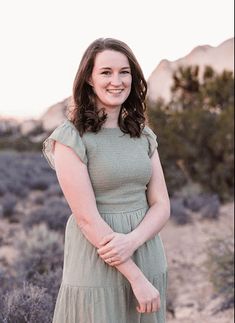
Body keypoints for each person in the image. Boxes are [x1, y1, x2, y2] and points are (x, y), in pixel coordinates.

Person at [42, 37, 170, 323]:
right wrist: (136, 278)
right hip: (96, 259)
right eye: (106, 72)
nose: (117, 81)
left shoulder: (143, 135)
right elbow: (86, 218)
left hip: (146, 252)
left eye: (124, 72)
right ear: (89, 78)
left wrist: (132, 241)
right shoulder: (70, 137)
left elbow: (162, 204)